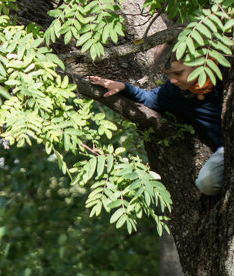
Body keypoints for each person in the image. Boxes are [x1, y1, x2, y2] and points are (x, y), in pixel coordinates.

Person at [87, 44, 224, 195]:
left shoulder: (226, 74)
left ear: (199, 64)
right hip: (226, 149)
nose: (172, 81)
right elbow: (149, 98)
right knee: (206, 183)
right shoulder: (177, 91)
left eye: (178, 73)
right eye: (170, 75)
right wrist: (122, 87)